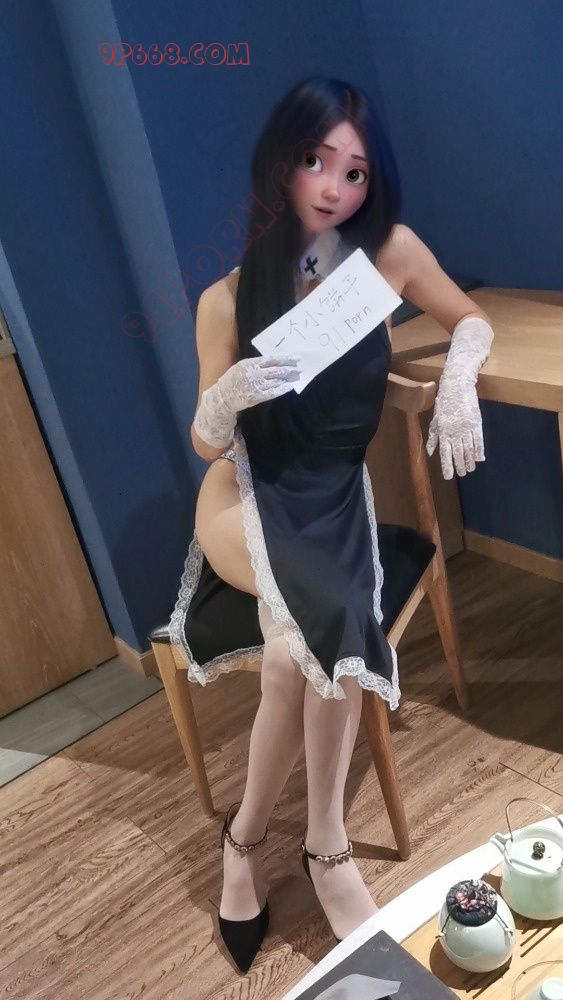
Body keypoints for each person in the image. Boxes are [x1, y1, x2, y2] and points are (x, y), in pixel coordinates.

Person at [170, 75, 494, 973]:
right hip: (244, 494)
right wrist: (227, 395)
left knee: (291, 656)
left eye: (354, 172)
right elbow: (205, 443)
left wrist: (458, 378)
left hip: (334, 494)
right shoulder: (227, 298)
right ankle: (304, 848)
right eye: (316, 161)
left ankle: (280, 841)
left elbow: (467, 318)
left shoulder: (386, 255)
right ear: (281, 162)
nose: (334, 187)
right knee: (316, 636)